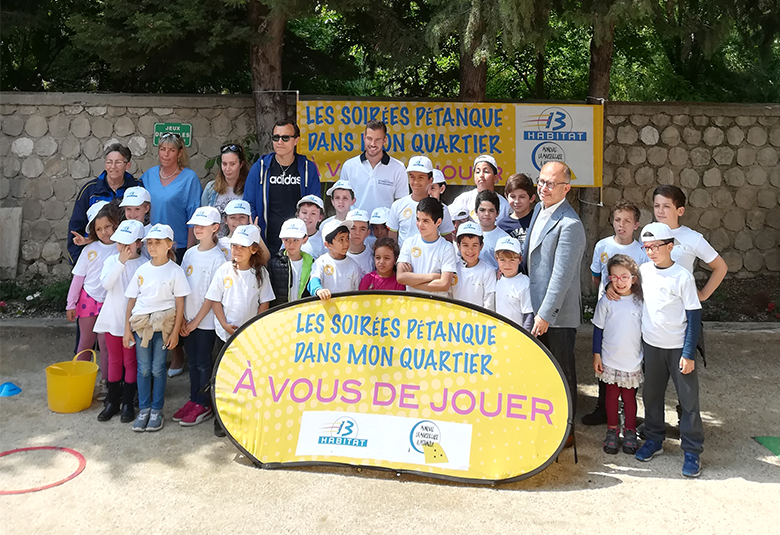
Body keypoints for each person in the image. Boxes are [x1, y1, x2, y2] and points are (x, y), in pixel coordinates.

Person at [523, 161, 586, 447]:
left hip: (556, 316)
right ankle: (544, 425)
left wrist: (545, 314)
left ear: (566, 188)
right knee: (539, 372)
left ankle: (567, 431)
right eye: (541, 181)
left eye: (551, 184)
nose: (544, 188)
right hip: (533, 308)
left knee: (562, 372)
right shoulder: (538, 209)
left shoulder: (570, 224)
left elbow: (562, 276)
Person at [634, 222, 703, 478]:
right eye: (647, 247)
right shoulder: (643, 271)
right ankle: (653, 439)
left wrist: (688, 353)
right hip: (652, 346)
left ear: (670, 246)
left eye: (656, 246)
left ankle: (692, 451)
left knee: (688, 400)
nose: (651, 251)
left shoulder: (683, 276)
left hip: (677, 348)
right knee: (651, 395)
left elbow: (694, 316)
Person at [582, 199, 649, 427]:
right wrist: (608, 289)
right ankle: (603, 408)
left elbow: (643, 282)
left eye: (627, 221)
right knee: (605, 360)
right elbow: (595, 276)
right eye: (618, 220)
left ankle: (626, 410)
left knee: (629, 359)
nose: (622, 225)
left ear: (636, 225)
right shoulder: (602, 246)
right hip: (608, 313)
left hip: (630, 315)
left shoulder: (641, 252)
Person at [124, 224, 190, 433]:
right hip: (142, 324)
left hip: (164, 325)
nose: (152, 246)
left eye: (158, 242)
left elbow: (180, 304)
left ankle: (156, 409)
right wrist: (127, 329)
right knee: (143, 368)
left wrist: (176, 331)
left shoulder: (175, 271)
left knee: (158, 367)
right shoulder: (142, 270)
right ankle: (144, 408)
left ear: (169, 245)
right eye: (150, 243)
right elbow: (131, 301)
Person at [174, 207, 226, 427]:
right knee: (193, 361)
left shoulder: (218, 259)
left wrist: (195, 321)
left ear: (215, 228)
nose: (197, 229)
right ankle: (194, 398)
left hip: (204, 323)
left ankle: (204, 403)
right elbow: (183, 287)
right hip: (188, 321)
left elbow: (212, 297)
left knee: (203, 362)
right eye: (196, 225)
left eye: (202, 226)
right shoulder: (189, 254)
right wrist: (184, 319)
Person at [66, 201, 120, 401]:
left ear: (115, 224)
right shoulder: (89, 251)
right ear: (93, 231)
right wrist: (70, 304)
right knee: (85, 343)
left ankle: (107, 383)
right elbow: (78, 279)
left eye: (108, 226)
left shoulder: (121, 248)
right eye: (99, 229)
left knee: (105, 345)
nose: (104, 232)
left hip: (110, 302)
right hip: (88, 300)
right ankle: (80, 380)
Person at [93, 219, 146, 423]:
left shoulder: (143, 265)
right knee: (115, 359)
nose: (123, 248)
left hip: (132, 323)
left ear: (139, 243)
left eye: (128, 244)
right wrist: (120, 263)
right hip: (112, 319)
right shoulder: (111, 261)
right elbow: (107, 284)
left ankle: (127, 403)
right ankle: (112, 401)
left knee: (130, 361)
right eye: (120, 243)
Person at [244, 119, 321, 255]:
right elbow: (249, 203)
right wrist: (256, 233)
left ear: (296, 140)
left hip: (297, 242)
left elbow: (314, 204)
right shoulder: (260, 167)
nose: (279, 142)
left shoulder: (308, 169)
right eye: (276, 137)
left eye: (285, 138)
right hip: (266, 241)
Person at [592, 254, 644, 455]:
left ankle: (630, 431)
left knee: (630, 398)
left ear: (634, 278)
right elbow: (598, 328)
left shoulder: (640, 302)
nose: (619, 281)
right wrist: (597, 354)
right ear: (609, 279)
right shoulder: (607, 301)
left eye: (624, 277)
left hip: (632, 361)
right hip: (610, 360)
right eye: (614, 277)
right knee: (611, 397)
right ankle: (612, 430)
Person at [68, 143, 140, 265]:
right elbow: (76, 226)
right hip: (95, 257)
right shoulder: (89, 190)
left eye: (118, 162)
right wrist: (78, 262)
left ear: (128, 165)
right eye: (109, 162)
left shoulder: (136, 188)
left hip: (127, 257)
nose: (113, 166)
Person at [140, 132, 203, 264]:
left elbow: (193, 216)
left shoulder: (189, 178)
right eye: (162, 149)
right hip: (151, 245)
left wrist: (189, 250)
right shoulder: (149, 175)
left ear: (179, 153)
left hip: (177, 246)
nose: (166, 154)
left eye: (171, 150)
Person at [207, 225, 274, 342]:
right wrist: (224, 324)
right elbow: (215, 300)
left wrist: (255, 325)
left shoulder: (261, 273)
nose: (237, 250)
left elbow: (264, 301)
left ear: (254, 249)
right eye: (234, 246)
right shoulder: (224, 269)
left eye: (243, 246)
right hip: (225, 334)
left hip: (250, 333)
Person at [338, 120, 408, 216]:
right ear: (364, 138)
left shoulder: (398, 168)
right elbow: (342, 201)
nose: (373, 144)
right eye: (369, 138)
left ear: (385, 140)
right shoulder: (349, 166)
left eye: (378, 139)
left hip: (384, 227)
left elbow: (402, 203)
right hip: (355, 226)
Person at [387, 155, 454, 246]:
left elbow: (447, 241)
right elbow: (392, 241)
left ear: (430, 180)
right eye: (412, 177)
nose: (415, 182)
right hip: (405, 259)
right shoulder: (397, 205)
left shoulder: (441, 209)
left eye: (421, 177)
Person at [396, 197, 457, 297]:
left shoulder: (447, 248)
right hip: (411, 306)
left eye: (425, 221)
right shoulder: (409, 243)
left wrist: (412, 281)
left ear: (438, 222)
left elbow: (444, 284)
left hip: (437, 307)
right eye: (418, 219)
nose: (420, 225)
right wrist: (432, 276)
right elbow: (400, 277)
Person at [201, 143, 250, 236]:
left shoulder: (249, 188)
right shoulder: (211, 188)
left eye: (232, 164)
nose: (227, 169)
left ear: (241, 164)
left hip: (240, 244)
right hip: (215, 244)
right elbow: (203, 219)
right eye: (224, 164)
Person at [308, 218, 362, 300]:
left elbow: (357, 291)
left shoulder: (353, 265)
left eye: (347, 238)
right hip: (325, 310)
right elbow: (314, 281)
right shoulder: (321, 262)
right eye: (341, 240)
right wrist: (319, 290)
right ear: (328, 244)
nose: (346, 243)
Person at [448, 154, 511, 224]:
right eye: (478, 172)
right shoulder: (463, 199)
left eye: (486, 171)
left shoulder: (504, 205)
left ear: (495, 178)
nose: (481, 175)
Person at [268, 218, 314, 308]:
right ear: (282, 240)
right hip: (281, 314)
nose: (291, 244)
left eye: (296, 240)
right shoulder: (274, 264)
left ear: (304, 239)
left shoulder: (312, 264)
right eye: (287, 239)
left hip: (305, 314)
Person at [450, 221, 496, 311]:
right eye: (465, 245)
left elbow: (489, 302)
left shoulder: (488, 270)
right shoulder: (453, 268)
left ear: (481, 246)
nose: (470, 250)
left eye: (475, 245)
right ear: (458, 246)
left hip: (478, 322)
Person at [494, 236, 534, 331]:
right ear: (496, 259)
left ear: (520, 259)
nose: (507, 265)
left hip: (517, 334)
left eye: (512, 260)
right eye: (502, 260)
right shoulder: (496, 279)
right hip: (499, 331)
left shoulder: (525, 283)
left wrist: (525, 337)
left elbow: (528, 314)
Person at [498, 173, 537, 249]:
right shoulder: (502, 226)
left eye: (522, 197)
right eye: (513, 197)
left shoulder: (538, 220)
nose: (517, 201)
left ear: (532, 198)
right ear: (506, 196)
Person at [475, 190, 509, 270]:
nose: (486, 214)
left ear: (497, 213)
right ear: (476, 211)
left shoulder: (504, 238)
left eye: (491, 210)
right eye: (482, 210)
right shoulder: (468, 233)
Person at [119, 186, 152, 260]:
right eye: (128, 209)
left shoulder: (151, 233)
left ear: (146, 208)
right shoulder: (120, 230)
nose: (132, 214)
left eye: (137, 209)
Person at [295, 195, 327, 260]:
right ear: (297, 214)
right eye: (304, 212)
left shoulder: (323, 240)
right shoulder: (290, 236)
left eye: (313, 214)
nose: (307, 217)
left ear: (320, 217)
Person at [346, 209, 374, 276]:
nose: (357, 233)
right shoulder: (339, 254)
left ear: (368, 233)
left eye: (362, 229)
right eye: (353, 228)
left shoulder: (373, 256)